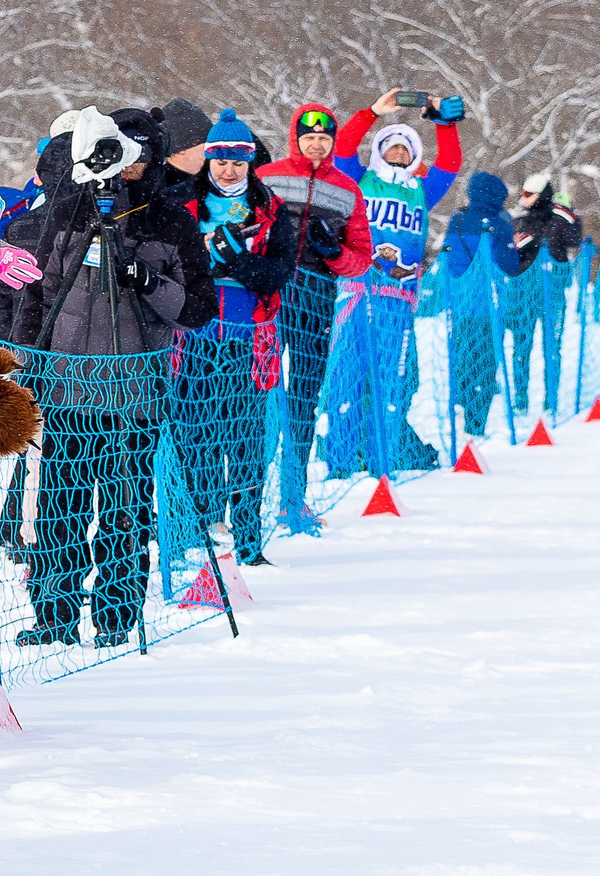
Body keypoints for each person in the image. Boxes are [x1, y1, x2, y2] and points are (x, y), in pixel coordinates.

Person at [2, 107, 216, 647]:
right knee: (59, 506)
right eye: (120, 148)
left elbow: (199, 309)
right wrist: (30, 364)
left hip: (134, 391)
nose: (128, 163)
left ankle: (119, 618)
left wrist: (145, 279)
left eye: (141, 152)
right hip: (71, 385)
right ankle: (53, 615)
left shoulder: (172, 221)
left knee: (125, 507)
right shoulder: (70, 210)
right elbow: (37, 290)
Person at [172, 113, 294, 563]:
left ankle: (247, 539)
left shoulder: (271, 208)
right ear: (207, 161)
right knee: (196, 438)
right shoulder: (183, 204)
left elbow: (279, 273)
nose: (228, 170)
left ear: (250, 163)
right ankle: (200, 532)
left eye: (237, 162)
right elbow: (173, 268)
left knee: (244, 439)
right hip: (194, 338)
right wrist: (208, 261)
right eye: (219, 160)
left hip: (249, 340)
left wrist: (236, 259)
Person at [323, 94, 461, 476]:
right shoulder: (358, 180)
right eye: (392, 147)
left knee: (389, 383)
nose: (398, 153)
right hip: (354, 295)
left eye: (406, 149)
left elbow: (450, 164)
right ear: (381, 151)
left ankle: (382, 461)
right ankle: (339, 460)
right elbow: (344, 146)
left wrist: (444, 124)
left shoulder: (421, 190)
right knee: (345, 381)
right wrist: (373, 112)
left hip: (398, 299)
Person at [255, 105, 372, 532]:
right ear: (295, 139)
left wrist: (333, 252)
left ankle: (293, 495)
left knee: (304, 395)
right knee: (258, 394)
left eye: (324, 139)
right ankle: (244, 496)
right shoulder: (268, 177)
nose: (316, 145)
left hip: (317, 297)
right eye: (309, 138)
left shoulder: (347, 190)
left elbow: (362, 259)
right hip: (268, 296)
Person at [440, 172, 524, 437]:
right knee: (485, 363)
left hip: (460, 303)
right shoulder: (500, 225)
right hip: (489, 305)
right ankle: (476, 422)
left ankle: (461, 398)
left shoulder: (458, 219)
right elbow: (509, 266)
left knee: (463, 356)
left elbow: (450, 262)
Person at [507, 172, 584, 415]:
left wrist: (568, 214)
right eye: (523, 193)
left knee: (552, 346)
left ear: (541, 195)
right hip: (523, 294)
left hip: (552, 293)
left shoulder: (560, 219)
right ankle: (521, 397)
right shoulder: (519, 221)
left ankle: (552, 398)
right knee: (521, 346)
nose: (524, 198)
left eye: (529, 194)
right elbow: (509, 257)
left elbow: (574, 238)